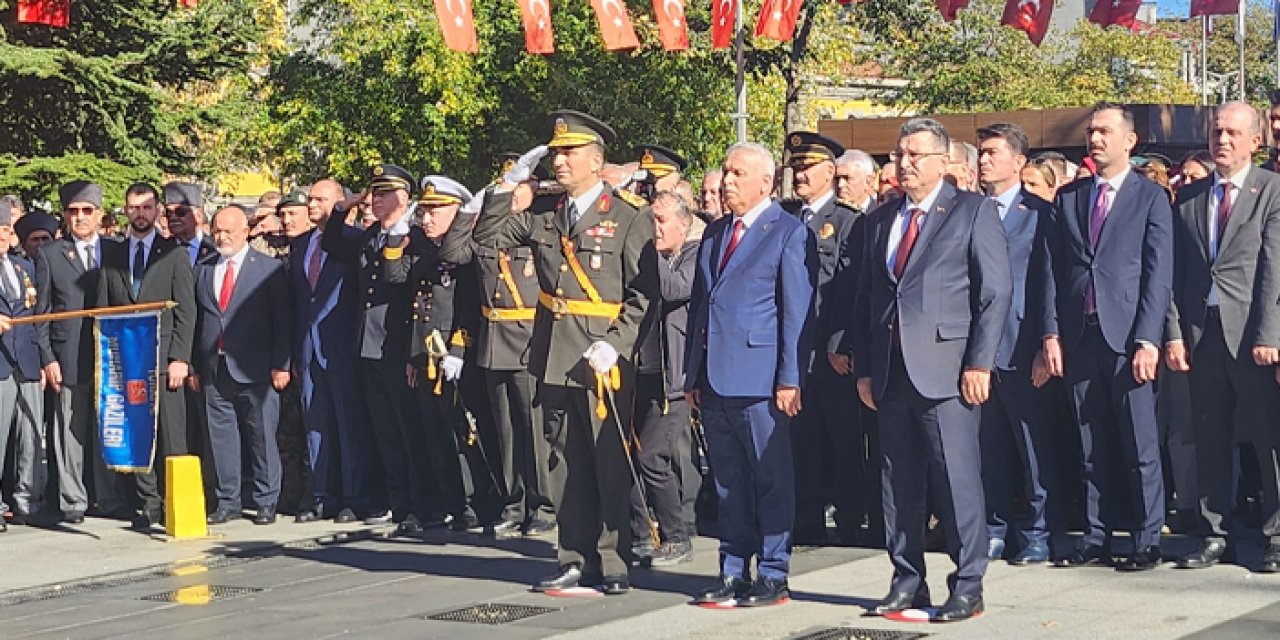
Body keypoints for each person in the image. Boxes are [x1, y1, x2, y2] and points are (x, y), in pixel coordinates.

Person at [473, 111, 655, 596]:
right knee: (563, 462)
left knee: (607, 460)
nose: (560, 161)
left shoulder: (628, 216)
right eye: (555, 153)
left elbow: (643, 296)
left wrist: (616, 345)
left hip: (601, 360)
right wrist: (508, 185)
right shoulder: (546, 216)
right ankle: (574, 556)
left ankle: (614, 559)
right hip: (554, 356)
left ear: (597, 161)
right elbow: (484, 239)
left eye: (569, 153)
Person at [853, 118, 1011, 622]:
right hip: (892, 369)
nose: (904, 164)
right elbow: (866, 299)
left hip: (948, 368)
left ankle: (968, 582)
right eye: (900, 155)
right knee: (897, 481)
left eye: (915, 155)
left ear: (943, 163)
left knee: (956, 478)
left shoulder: (971, 211)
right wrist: (864, 367)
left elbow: (994, 292)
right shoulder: (881, 220)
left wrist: (980, 361)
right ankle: (907, 578)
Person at [1043, 102, 1173, 572]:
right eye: (1091, 131)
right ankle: (1096, 535)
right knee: (1089, 445)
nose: (1094, 139)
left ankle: (1145, 538)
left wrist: (1148, 340)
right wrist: (1051, 333)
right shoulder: (1070, 197)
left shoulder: (1150, 197)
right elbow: (1054, 273)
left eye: (1104, 131)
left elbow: (1158, 274)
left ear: (1128, 141)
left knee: (1139, 446)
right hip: (1081, 336)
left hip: (1128, 338)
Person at [685, 142, 815, 608]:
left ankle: (774, 572)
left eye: (738, 172)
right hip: (716, 377)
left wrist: (789, 377)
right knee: (728, 482)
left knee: (770, 478)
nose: (727, 180)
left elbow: (795, 311)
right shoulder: (716, 232)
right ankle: (733, 569)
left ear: (766, 181)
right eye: (725, 171)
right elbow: (704, 305)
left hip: (761, 378)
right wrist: (692, 375)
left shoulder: (786, 232)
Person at [1166, 102, 1280, 573]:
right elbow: (1176, 272)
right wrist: (1174, 333)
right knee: (1210, 435)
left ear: (1256, 140)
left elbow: (1273, 268)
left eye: (1234, 132)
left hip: (1252, 336)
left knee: (1267, 439)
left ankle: (1274, 534)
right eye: (1217, 132)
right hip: (1202, 335)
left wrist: (1270, 334)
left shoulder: (1271, 191)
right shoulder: (1191, 198)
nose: (1223, 140)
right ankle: (1215, 532)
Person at [441, 170, 559, 540]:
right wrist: (472, 209)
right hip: (495, 342)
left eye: (517, 189)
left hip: (527, 339)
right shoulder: (485, 234)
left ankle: (543, 505)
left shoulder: (539, 224)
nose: (509, 197)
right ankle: (514, 502)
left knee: (533, 430)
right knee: (506, 432)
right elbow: (452, 251)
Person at [323, 165, 438, 535]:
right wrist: (345, 207)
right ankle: (398, 501)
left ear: (404, 198)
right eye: (373, 193)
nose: (375, 200)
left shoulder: (415, 238)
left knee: (409, 431)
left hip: (398, 344)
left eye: (383, 194)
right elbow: (331, 243)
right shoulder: (371, 235)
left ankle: (422, 505)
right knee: (385, 431)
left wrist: (412, 353)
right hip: (369, 345)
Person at [974, 124, 1058, 566]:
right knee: (987, 447)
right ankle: (993, 527)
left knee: (1031, 447)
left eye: (993, 152)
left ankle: (1038, 530)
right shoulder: (966, 211)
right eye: (981, 153)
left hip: (1021, 345)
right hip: (975, 351)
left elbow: (1047, 282)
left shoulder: (1038, 213)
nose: (984, 160)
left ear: (1019, 161)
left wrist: (1047, 341)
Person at [780, 131, 869, 547]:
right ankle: (806, 519)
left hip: (829, 352)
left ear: (830, 172)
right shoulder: (785, 218)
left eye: (807, 167)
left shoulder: (850, 221)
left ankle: (851, 519)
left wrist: (840, 344)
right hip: (793, 350)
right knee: (801, 439)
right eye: (795, 167)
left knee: (843, 438)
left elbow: (850, 290)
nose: (799, 175)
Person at [97, 183, 197, 531]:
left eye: (147, 207)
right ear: (126, 211)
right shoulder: (112, 255)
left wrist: (180, 357)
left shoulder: (174, 253)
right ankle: (147, 504)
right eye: (134, 207)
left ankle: (174, 503)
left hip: (164, 356)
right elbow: (104, 311)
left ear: (157, 211)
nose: (140, 213)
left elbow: (187, 310)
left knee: (171, 432)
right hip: (126, 359)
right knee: (136, 430)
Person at [195, 206, 292, 525]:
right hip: (214, 367)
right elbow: (200, 320)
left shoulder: (268, 268)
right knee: (221, 435)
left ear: (246, 231)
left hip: (256, 367)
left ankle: (266, 500)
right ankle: (228, 500)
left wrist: (281, 364)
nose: (221, 237)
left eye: (229, 231)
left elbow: (283, 321)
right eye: (217, 231)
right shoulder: (205, 268)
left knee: (261, 434)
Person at [406, 176, 490, 532]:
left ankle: (477, 502)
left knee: (464, 434)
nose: (427, 218)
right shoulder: (426, 252)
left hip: (456, 357)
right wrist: (412, 357)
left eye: (436, 210)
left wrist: (458, 348)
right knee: (435, 434)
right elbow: (418, 308)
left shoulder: (464, 254)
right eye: (424, 211)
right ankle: (453, 502)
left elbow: (469, 305)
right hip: (427, 358)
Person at [37, 181, 124, 524]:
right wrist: (48, 357)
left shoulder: (117, 250)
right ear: (65, 216)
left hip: (108, 355)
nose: (80, 218)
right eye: (73, 212)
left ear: (100, 215)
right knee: (69, 432)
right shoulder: (51, 254)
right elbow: (42, 313)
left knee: (108, 427)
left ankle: (109, 496)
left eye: (87, 211)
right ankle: (72, 500)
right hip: (68, 356)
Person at [291, 179, 378, 524]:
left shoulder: (354, 241)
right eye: (309, 199)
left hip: (340, 345)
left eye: (320, 200)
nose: (312, 205)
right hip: (308, 347)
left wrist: (346, 209)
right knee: (316, 424)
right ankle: (322, 494)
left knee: (348, 423)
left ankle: (353, 495)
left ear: (341, 203)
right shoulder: (300, 246)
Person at [628, 191, 700, 566]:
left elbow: (673, 288)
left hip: (676, 380)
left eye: (659, 221)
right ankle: (642, 534)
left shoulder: (694, 255)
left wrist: (643, 247)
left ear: (684, 224)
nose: (652, 229)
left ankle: (677, 535)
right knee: (629, 454)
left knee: (652, 456)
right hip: (642, 373)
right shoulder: (647, 259)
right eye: (648, 220)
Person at [0, 201, 45, 530]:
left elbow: (34, 315)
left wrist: (43, 360)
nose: (2, 237)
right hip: (1, 364)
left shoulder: (22, 267)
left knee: (31, 435)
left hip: (28, 362)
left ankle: (26, 499)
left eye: (5, 231)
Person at [163, 183, 216, 267]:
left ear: (198, 216)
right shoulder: (161, 249)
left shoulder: (216, 250)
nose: (172, 217)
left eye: (180, 212)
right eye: (168, 213)